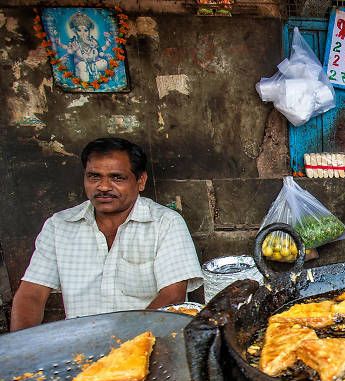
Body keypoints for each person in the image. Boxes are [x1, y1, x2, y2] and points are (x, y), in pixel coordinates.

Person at [10, 137, 203, 331]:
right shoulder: (59, 226)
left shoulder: (165, 223)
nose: (103, 187)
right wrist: (20, 350)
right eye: (94, 176)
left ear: (140, 181)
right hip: (81, 346)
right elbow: (31, 294)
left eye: (117, 177)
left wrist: (120, 345)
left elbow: (172, 296)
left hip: (148, 343)